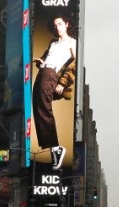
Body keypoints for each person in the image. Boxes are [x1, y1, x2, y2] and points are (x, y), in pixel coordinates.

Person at [32, 15, 76, 171]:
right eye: (55, 24)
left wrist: (63, 83)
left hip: (51, 75)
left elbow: (74, 65)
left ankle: (56, 148)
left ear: (67, 24)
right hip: (43, 72)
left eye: (60, 23)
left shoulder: (72, 43)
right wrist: (41, 62)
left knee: (44, 107)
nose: (57, 27)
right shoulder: (53, 43)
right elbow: (47, 59)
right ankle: (54, 149)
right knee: (39, 106)